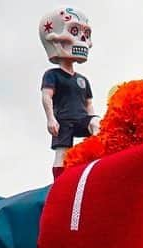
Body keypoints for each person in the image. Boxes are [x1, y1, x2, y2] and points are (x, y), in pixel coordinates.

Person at [39, 8, 100, 177]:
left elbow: (89, 103)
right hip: (63, 121)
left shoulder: (83, 80)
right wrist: (51, 118)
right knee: (62, 153)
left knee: (98, 124)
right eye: (74, 31)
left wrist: (92, 118)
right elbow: (47, 96)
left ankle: (96, 160)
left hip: (81, 119)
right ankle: (59, 183)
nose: (82, 39)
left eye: (85, 34)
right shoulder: (52, 75)